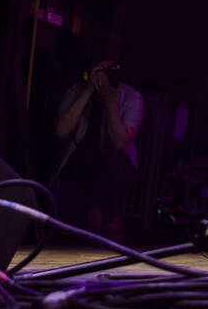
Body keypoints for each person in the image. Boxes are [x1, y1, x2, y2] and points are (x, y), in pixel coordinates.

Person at [50, 58, 142, 240]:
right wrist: (87, 91)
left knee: (115, 162)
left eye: (109, 73)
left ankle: (111, 220)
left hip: (113, 173)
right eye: (99, 73)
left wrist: (110, 101)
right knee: (68, 225)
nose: (104, 79)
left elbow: (120, 143)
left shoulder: (131, 97)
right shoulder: (76, 91)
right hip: (78, 168)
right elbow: (61, 131)